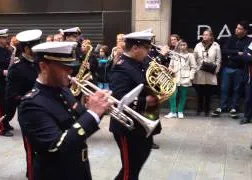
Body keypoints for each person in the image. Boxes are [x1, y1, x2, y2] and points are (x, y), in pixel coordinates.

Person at [18, 41, 112, 180]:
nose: (70, 71)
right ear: (44, 67)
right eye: (64, 67)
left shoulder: (64, 90)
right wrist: (93, 113)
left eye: (71, 66)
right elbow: (57, 146)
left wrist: (99, 108)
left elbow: (80, 121)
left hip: (79, 169)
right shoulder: (31, 104)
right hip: (55, 174)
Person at [109, 30, 161, 179]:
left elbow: (148, 83)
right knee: (129, 171)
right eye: (147, 48)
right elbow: (118, 98)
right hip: (127, 127)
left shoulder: (141, 62)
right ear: (135, 48)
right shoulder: (121, 67)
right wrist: (146, 101)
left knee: (135, 166)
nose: (149, 51)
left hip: (143, 123)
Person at [5, 29, 42, 177]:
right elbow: (11, 96)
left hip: (46, 112)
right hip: (29, 116)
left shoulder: (40, 63)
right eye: (35, 47)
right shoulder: (17, 68)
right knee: (32, 151)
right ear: (26, 49)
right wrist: (30, 98)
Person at [212, 21, 251, 118]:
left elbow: (245, 56)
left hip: (240, 69)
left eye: (239, 28)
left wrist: (232, 55)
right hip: (227, 68)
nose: (236, 30)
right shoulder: (231, 38)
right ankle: (222, 106)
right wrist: (237, 52)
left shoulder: (248, 41)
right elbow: (225, 51)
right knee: (224, 88)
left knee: (237, 89)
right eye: (236, 28)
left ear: (245, 31)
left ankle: (234, 108)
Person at [164, 40, 197, 119]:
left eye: (184, 45)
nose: (182, 46)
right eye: (181, 45)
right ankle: (173, 112)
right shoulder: (174, 55)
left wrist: (190, 76)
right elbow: (170, 66)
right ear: (178, 46)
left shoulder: (190, 55)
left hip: (185, 78)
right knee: (172, 94)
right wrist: (170, 70)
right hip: (174, 77)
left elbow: (194, 67)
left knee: (183, 96)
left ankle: (180, 111)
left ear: (187, 46)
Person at [193, 29, 221, 116]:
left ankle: (206, 109)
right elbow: (194, 58)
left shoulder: (216, 46)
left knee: (208, 92)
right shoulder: (198, 45)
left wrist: (216, 70)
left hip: (210, 71)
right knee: (200, 91)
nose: (204, 36)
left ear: (211, 36)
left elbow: (218, 59)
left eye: (206, 35)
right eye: (203, 34)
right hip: (200, 71)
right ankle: (199, 108)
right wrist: (195, 69)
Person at [240, 41, 252, 124]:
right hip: (250, 77)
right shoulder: (250, 44)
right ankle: (247, 117)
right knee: (248, 98)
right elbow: (245, 56)